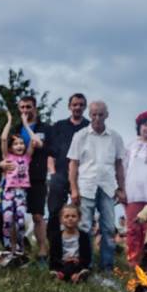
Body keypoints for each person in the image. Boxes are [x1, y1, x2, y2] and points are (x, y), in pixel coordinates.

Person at [66, 101, 126, 272]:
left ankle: (107, 266)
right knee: (85, 227)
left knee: (108, 228)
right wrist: (74, 189)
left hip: (108, 187)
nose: (97, 118)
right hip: (86, 186)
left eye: (101, 114)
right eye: (94, 114)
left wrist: (122, 188)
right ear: (89, 115)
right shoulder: (81, 135)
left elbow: (119, 165)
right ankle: (85, 265)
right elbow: (73, 164)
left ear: (106, 115)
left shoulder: (115, 137)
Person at [44, 93, 89, 249]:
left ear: (85, 107)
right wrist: (53, 173)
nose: (77, 107)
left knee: (82, 213)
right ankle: (54, 249)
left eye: (81, 104)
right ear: (69, 106)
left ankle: (81, 251)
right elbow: (50, 153)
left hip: (82, 176)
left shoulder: (89, 128)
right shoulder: (58, 126)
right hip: (60, 174)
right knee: (55, 212)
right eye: (75, 104)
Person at [123, 111, 147, 267]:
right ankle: (133, 259)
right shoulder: (131, 145)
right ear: (139, 126)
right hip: (133, 192)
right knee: (134, 227)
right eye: (145, 124)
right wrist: (121, 189)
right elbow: (124, 167)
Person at [0, 111, 40, 256]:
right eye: (16, 144)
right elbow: (3, 138)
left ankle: (20, 249)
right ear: (10, 147)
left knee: (20, 222)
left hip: (21, 193)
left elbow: (34, 140)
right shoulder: (7, 157)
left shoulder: (27, 157)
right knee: (7, 220)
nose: (19, 146)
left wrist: (25, 124)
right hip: (8, 192)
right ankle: (9, 248)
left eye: (21, 143)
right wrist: (9, 120)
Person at [17, 95, 50, 261]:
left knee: (37, 215)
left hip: (37, 177)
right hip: (17, 178)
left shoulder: (44, 128)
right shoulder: (15, 129)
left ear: (34, 108)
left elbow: (40, 144)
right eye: (22, 107)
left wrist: (26, 125)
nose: (25, 110)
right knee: (16, 215)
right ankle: (18, 251)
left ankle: (42, 251)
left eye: (28, 107)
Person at [48, 203, 91, 283]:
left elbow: (87, 257)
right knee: (64, 266)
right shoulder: (56, 237)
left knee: (80, 268)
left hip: (78, 264)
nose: (70, 218)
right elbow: (53, 256)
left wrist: (78, 260)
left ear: (79, 218)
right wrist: (63, 261)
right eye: (66, 216)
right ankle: (72, 277)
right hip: (61, 264)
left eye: (73, 216)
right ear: (61, 219)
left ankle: (64, 276)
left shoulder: (84, 236)